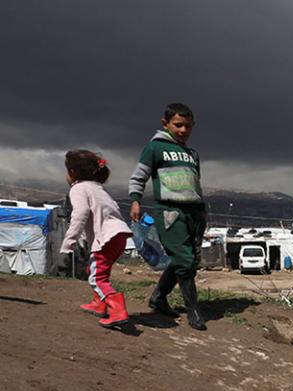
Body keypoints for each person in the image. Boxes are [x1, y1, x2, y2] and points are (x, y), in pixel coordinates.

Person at [128, 102, 207, 330]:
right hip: (169, 211)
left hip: (193, 212)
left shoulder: (192, 154)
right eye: (178, 125)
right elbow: (139, 176)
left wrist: (202, 211)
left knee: (187, 258)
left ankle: (159, 298)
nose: (183, 130)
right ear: (166, 123)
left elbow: (195, 184)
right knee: (184, 261)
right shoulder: (155, 148)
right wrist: (135, 200)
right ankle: (194, 311)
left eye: (188, 126)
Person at [60, 150, 133, 328]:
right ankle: (98, 303)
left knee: (97, 278)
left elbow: (81, 214)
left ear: (71, 173)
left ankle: (117, 310)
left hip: (106, 238)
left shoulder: (78, 188)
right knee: (99, 270)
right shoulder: (98, 188)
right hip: (120, 236)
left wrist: (68, 243)